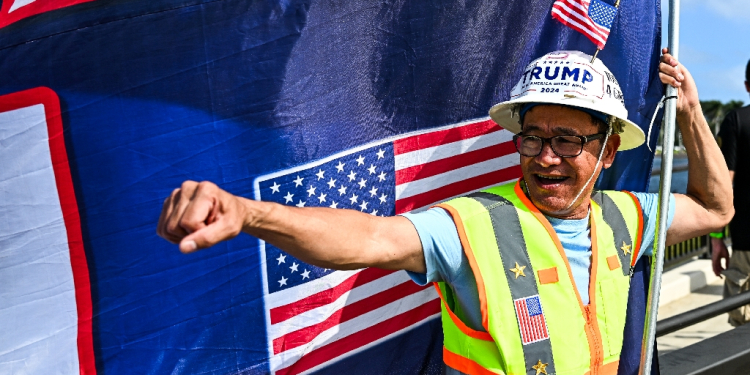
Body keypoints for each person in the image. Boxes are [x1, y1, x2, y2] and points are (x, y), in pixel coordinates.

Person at [157, 49, 733, 375]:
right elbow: (368, 239)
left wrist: (689, 110)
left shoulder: (625, 216)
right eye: (532, 138)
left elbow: (716, 207)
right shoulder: (474, 226)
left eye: (568, 141)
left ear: (607, 151)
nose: (546, 158)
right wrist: (250, 214)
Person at [712, 59, 750, 327]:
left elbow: (724, 183)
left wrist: (716, 237)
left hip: (745, 237)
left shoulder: (736, 120)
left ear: (747, 86)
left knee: (741, 327)